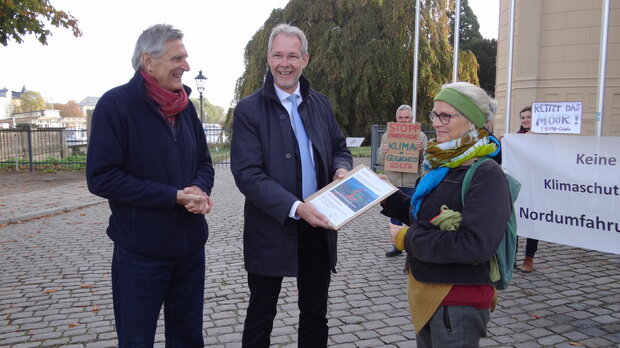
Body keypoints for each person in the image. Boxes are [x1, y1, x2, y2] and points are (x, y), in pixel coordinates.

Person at [86, 24, 214, 347]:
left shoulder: (186, 108)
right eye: (177, 58)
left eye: (185, 58)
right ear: (148, 61)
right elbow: (101, 177)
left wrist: (199, 188)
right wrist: (171, 196)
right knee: (136, 341)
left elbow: (204, 162)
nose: (185, 65)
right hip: (140, 254)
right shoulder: (115, 106)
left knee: (188, 340)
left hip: (190, 251)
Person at [231, 23, 353, 348]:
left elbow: (340, 148)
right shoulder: (248, 110)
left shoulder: (321, 105)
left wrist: (341, 170)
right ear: (268, 58)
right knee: (261, 314)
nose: (285, 63)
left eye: (293, 56)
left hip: (319, 226)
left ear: (305, 59)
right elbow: (247, 174)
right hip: (271, 227)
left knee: (315, 314)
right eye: (278, 55)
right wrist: (296, 207)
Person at [380, 81, 512, 347]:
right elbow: (424, 216)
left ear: (472, 120)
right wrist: (389, 196)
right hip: (429, 294)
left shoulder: (486, 174)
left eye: (446, 115)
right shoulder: (442, 163)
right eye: (434, 114)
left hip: (457, 303)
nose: (437, 123)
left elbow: (474, 245)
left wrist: (408, 239)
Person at [377, 105, 428, 257]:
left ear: (411, 119)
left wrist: (420, 151)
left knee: (412, 214)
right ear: (396, 118)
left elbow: (427, 161)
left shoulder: (421, 136)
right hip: (393, 181)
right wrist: (384, 151)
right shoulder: (387, 135)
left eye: (407, 118)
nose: (404, 120)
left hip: (412, 182)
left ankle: (412, 245)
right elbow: (380, 159)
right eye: (401, 118)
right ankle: (396, 245)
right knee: (394, 214)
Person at [516, 105, 538, 273]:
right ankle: (511, 256)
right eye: (522, 117)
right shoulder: (515, 138)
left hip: (536, 187)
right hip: (518, 185)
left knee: (532, 223)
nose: (525, 120)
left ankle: (528, 258)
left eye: (528, 117)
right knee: (513, 222)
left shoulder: (544, 139)